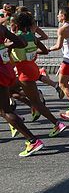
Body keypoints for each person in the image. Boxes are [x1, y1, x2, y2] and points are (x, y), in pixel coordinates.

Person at [9, 11, 66, 137]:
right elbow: (45, 51)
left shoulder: (17, 38)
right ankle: (20, 112)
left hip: (23, 70)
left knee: (36, 103)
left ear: (17, 24)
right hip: (31, 67)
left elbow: (7, 49)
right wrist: (33, 52)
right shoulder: (32, 36)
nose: (10, 25)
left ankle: (57, 123)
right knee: (9, 91)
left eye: (11, 23)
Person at [1, 23, 45, 156]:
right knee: (8, 101)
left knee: (5, 111)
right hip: (6, 69)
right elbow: (22, 42)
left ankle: (32, 140)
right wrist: (5, 46)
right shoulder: (2, 28)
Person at [49, 7, 69, 114]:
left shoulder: (63, 29)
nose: (57, 16)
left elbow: (58, 46)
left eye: (59, 14)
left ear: (63, 16)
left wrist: (47, 49)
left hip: (68, 60)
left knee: (62, 84)